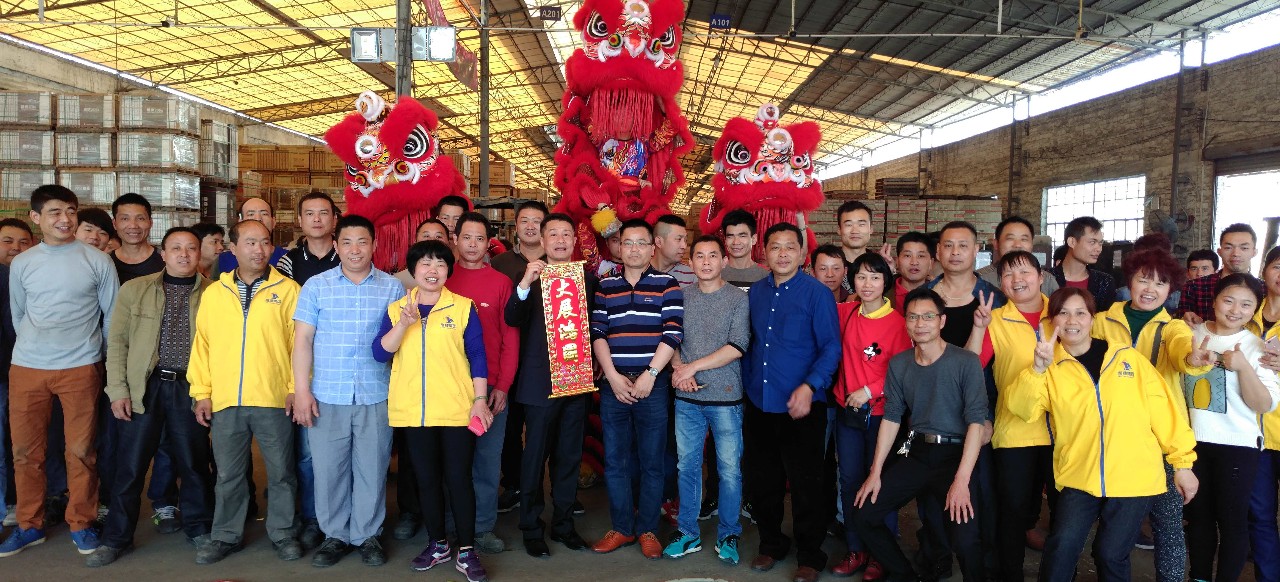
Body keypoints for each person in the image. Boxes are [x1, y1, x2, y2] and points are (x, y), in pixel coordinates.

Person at [1009, 287, 1199, 582]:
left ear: (1092, 318)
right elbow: (1022, 410)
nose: (1072, 320)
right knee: (1061, 545)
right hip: (1079, 474)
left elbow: (1164, 411)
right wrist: (1036, 369)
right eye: (1063, 313)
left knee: (1110, 553)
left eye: (1080, 313)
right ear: (1052, 321)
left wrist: (1183, 464)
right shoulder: (1050, 366)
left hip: (1134, 477)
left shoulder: (1127, 358)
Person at [86, 227, 216, 566]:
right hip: (145, 386)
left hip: (190, 388)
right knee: (130, 466)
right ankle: (116, 538)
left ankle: (199, 529)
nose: (184, 255)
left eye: (191, 248)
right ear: (163, 253)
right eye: (176, 248)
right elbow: (118, 343)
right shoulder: (135, 290)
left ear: (199, 253)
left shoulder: (215, 293)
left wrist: (210, 393)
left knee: (194, 463)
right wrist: (118, 390)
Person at [0, 185, 118, 558]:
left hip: (81, 366)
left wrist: (97, 358)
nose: (64, 219)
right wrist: (36, 348)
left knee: (81, 451)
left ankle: (81, 523)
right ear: (36, 218)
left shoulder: (97, 261)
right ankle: (29, 525)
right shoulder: (23, 263)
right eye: (54, 212)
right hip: (27, 368)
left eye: (70, 211)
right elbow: (19, 314)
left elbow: (112, 317)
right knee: (25, 452)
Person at [373, 239, 492, 582]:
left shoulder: (463, 307)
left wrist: (480, 399)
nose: (432, 270)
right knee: (426, 481)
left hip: (456, 410)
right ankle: (438, 544)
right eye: (425, 263)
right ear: (413, 270)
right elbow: (380, 353)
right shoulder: (397, 309)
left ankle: (467, 550)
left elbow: (477, 355)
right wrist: (403, 324)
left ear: (447, 271)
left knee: (459, 480)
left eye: (440, 264)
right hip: (414, 412)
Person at [289, 214, 402, 568]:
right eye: (347, 243)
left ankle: (367, 534)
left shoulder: (392, 288)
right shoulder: (316, 286)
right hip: (328, 394)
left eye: (362, 242)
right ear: (336, 246)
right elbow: (302, 340)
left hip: (375, 393)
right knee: (329, 470)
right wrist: (302, 391)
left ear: (374, 245)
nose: (355, 250)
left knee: (373, 467)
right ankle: (335, 535)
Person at [851, 288, 987, 582]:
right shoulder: (900, 364)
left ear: (942, 321)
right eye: (913, 317)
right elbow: (892, 416)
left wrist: (962, 480)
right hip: (917, 453)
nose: (920, 323)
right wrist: (875, 472)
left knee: (965, 540)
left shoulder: (965, 361)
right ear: (906, 322)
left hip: (956, 456)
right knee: (864, 515)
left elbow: (976, 422)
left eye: (928, 316)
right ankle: (905, 576)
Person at [188, 219, 302, 565]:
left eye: (265, 242)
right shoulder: (214, 293)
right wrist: (202, 392)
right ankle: (226, 535)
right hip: (226, 400)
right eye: (250, 243)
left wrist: (295, 389)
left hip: (273, 398)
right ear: (232, 248)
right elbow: (203, 345)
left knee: (281, 472)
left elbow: (299, 345)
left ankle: (284, 533)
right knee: (228, 475)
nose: (259, 250)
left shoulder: (289, 290)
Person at [742, 223, 840, 582]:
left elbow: (831, 347)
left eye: (789, 247)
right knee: (763, 481)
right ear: (764, 252)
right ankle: (771, 544)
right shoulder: (755, 292)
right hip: (759, 402)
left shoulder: (817, 294)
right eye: (775, 247)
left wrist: (810, 386)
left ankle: (810, 555)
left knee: (806, 484)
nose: (782, 254)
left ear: (802, 254)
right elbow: (749, 342)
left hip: (803, 406)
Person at [590, 219, 684, 559]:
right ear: (618, 247)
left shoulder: (667, 284)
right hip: (613, 385)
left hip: (652, 386)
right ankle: (622, 528)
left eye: (641, 243)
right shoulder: (605, 286)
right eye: (627, 242)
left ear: (652, 246)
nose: (633, 249)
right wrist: (613, 376)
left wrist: (650, 374)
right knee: (615, 460)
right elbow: (598, 332)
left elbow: (672, 333)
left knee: (652, 461)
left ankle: (647, 529)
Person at [504, 212, 594, 558]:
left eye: (566, 234)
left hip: (575, 381)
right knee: (534, 456)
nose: (559, 240)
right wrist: (525, 284)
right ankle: (530, 526)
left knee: (569, 456)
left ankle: (564, 525)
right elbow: (512, 317)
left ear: (574, 241)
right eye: (553, 234)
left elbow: (595, 328)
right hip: (539, 382)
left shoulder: (586, 279)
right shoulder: (528, 277)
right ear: (542, 241)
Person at [966, 250, 1059, 582]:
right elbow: (970, 366)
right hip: (1015, 432)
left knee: (1063, 514)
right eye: (1008, 274)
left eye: (1025, 272)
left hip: (1064, 432)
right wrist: (979, 328)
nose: (1017, 280)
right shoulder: (996, 319)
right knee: (1013, 514)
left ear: (1041, 276)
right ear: (1001, 283)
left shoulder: (1062, 313)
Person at [1183, 273, 1280, 582]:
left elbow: (1263, 404)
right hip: (1193, 444)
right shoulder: (1189, 334)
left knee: (1232, 522)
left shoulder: (1257, 347)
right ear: (1214, 300)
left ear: (1254, 309)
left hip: (1238, 446)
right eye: (1228, 301)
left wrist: (1243, 367)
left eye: (1246, 305)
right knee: (1198, 518)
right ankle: (1199, 577)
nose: (1236, 310)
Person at [662, 236, 749, 564]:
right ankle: (688, 532)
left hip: (726, 398)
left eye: (713, 255)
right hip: (687, 398)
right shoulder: (681, 296)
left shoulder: (737, 299)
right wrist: (678, 369)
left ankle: (729, 533)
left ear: (724, 261)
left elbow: (737, 345)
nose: (707, 261)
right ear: (691, 261)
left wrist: (692, 367)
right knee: (687, 466)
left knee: (729, 470)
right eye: (700, 256)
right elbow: (671, 339)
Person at [830, 252, 911, 579]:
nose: (867, 284)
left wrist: (870, 389)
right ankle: (855, 548)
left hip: (881, 416)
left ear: (886, 282)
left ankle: (881, 553)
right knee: (849, 480)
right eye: (861, 276)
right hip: (847, 413)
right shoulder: (846, 312)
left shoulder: (899, 323)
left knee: (879, 483)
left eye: (875, 277)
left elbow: (904, 371)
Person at [445, 212, 519, 555]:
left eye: (479, 239)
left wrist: (502, 386)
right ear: (455, 239)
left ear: (489, 243)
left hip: (488, 390)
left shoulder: (500, 283)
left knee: (487, 461)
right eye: (466, 237)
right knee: (452, 462)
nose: (473, 245)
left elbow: (510, 339)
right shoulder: (442, 278)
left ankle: (483, 527)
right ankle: (451, 527)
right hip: (448, 388)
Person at [276, 191, 341, 552]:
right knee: (306, 452)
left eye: (323, 213)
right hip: (303, 366)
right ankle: (313, 517)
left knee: (341, 451)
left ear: (335, 219)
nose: (317, 219)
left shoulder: (347, 256)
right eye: (310, 213)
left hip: (340, 365)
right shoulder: (287, 263)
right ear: (299, 220)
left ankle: (339, 518)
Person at [490, 200, 549, 521]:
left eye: (537, 221)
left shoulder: (559, 264)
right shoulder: (500, 264)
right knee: (509, 427)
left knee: (544, 431)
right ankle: (513, 484)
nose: (530, 226)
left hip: (546, 362)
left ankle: (548, 491)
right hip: (509, 357)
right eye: (524, 220)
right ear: (515, 225)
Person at [1249, 245, 1280, 582]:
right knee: (1259, 515)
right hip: (1252, 435)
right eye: (1277, 266)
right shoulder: (1245, 314)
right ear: (1265, 270)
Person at [927, 221, 1006, 346]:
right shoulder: (922, 295)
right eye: (948, 245)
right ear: (938, 250)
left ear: (975, 250)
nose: (955, 252)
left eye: (963, 245)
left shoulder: (995, 298)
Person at [1180, 223, 1261, 324]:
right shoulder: (1194, 287)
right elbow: (1180, 325)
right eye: (1228, 247)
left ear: (1254, 252)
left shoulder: (1263, 289)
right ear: (1219, 251)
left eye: (1244, 248)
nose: (1236, 253)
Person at [975, 216, 1058, 297]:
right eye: (1010, 238)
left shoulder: (1048, 280)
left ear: (1032, 244)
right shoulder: (979, 279)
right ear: (996, 244)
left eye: (1024, 239)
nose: (1017, 245)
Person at [1050, 216, 1116, 311]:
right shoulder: (1046, 279)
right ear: (1072, 242)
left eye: (1100, 243)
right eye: (1092, 242)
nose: (1098, 249)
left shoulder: (1105, 282)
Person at [214, 197, 287, 275]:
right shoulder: (223, 260)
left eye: (264, 214)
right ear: (240, 221)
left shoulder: (289, 258)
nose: (258, 219)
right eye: (251, 214)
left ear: (273, 222)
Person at [110, 193, 164, 284]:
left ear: (150, 222)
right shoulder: (106, 262)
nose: (133, 226)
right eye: (125, 219)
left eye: (140, 218)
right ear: (114, 224)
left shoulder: (165, 260)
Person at [394, 218, 451, 290]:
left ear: (448, 242)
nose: (432, 240)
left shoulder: (453, 275)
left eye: (438, 236)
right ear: (415, 241)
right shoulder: (398, 280)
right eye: (426, 236)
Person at [720, 209, 768, 293]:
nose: (736, 242)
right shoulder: (716, 274)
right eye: (730, 236)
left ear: (754, 239)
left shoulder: (766, 277)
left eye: (742, 236)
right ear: (725, 240)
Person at [892, 231, 934, 315]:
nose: (914, 262)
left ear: (931, 263)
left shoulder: (941, 293)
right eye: (907, 255)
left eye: (921, 256)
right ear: (897, 261)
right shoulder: (882, 292)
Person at [652, 214, 695, 287]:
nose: (684, 246)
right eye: (678, 239)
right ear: (659, 242)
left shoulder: (690, 276)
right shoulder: (638, 271)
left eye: (685, 240)